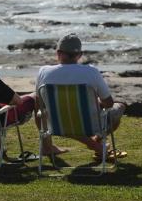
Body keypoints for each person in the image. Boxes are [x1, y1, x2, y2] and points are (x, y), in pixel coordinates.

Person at [36, 33, 127, 161]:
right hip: (91, 124)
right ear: (79, 55)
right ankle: (97, 141)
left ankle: (93, 144)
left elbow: (39, 104)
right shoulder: (91, 72)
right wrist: (97, 103)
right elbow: (109, 103)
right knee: (120, 107)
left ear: (58, 53)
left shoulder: (43, 72)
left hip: (56, 125)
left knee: (43, 113)